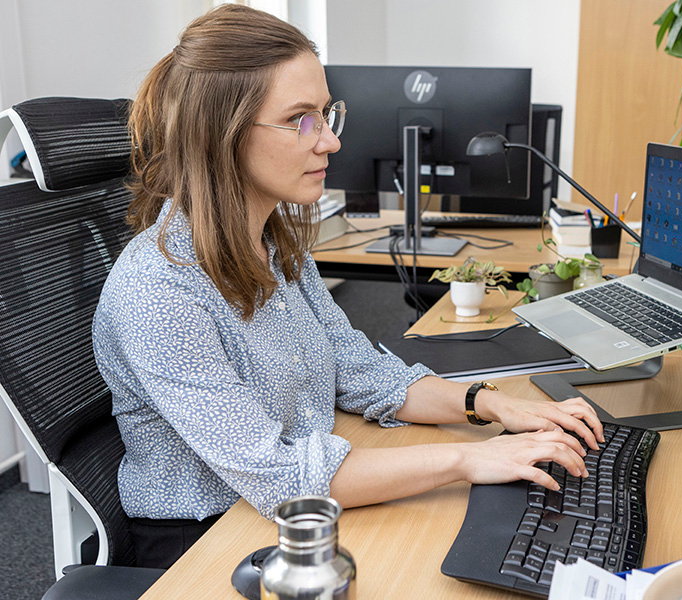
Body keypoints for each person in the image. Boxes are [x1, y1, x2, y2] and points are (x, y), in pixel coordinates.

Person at [92, 4, 604, 569]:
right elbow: (282, 478)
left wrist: (490, 405)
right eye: (299, 120)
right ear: (222, 137)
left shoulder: (272, 245)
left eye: (327, 114)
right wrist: (469, 460)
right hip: (208, 539)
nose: (330, 142)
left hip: (296, 499)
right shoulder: (159, 290)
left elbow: (361, 372)